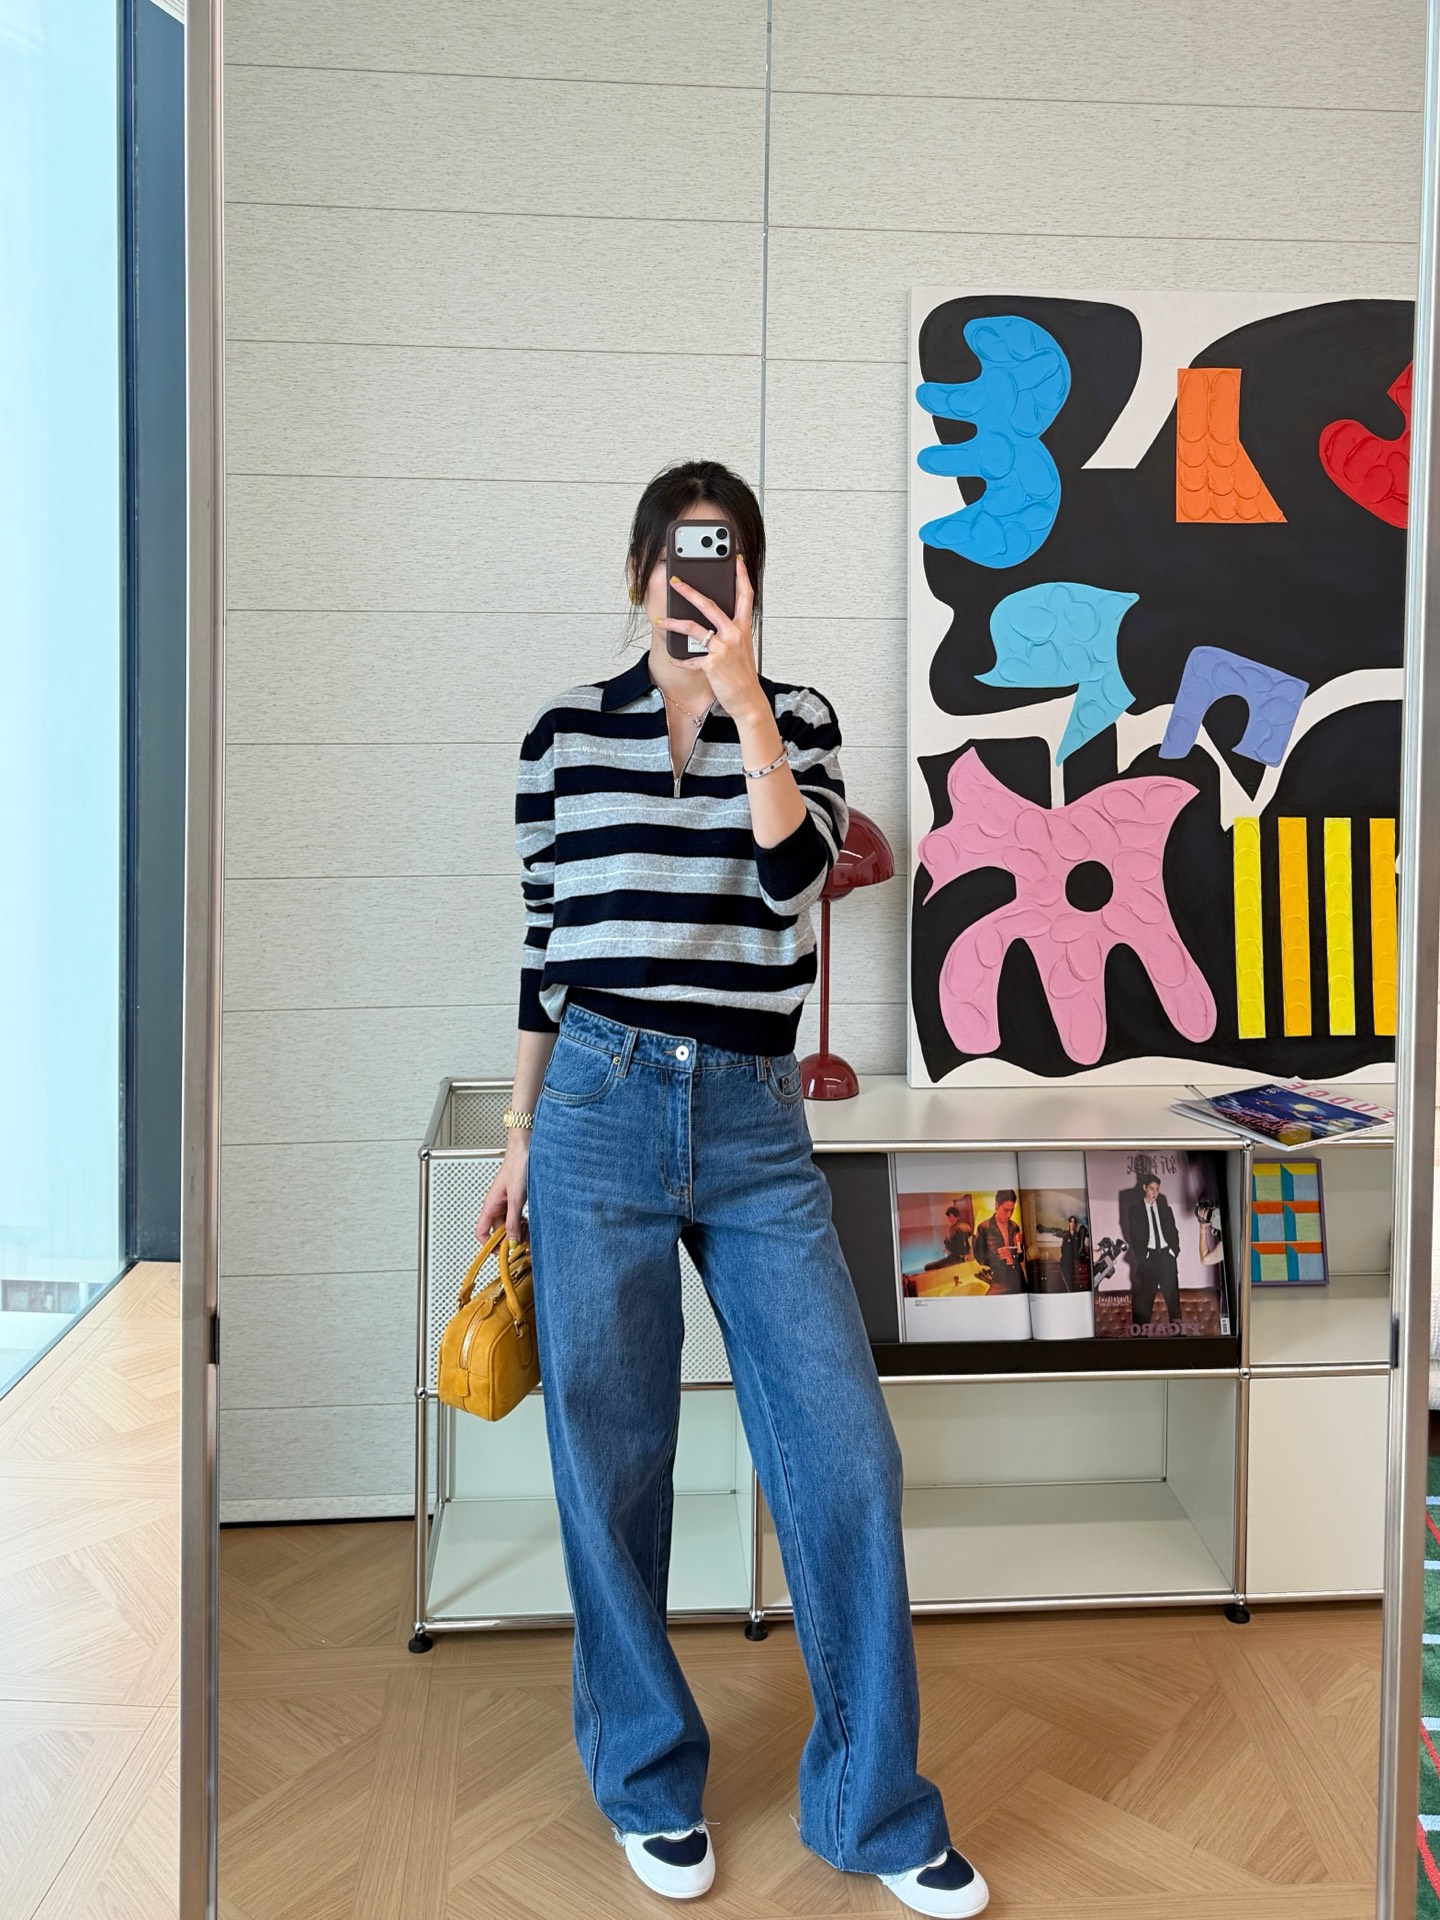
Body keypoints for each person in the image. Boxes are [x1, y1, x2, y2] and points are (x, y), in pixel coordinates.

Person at [476, 460, 988, 1917]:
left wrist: (746, 697)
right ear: (637, 570)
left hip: (758, 1122)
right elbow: (545, 948)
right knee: (613, 1456)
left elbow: (791, 882)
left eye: (722, 561)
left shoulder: (801, 720)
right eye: (675, 558)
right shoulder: (563, 735)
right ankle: (646, 1777)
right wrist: (519, 1132)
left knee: (844, 1453)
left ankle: (872, 1806)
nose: (692, 583)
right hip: (597, 1104)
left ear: (749, 579)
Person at [1120, 1172, 1182, 1329]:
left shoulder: (1165, 1209)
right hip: (1149, 1259)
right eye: (1151, 1189)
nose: (1154, 1193)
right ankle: (1140, 1339)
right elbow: (1133, 1236)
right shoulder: (1135, 1210)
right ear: (1144, 1188)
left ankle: (1180, 1337)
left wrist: (1174, 1251)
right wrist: (1144, 1256)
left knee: (1174, 1304)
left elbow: (1174, 1232)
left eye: (1157, 1189)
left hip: (1167, 1258)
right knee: (1144, 1304)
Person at [970, 1190, 1026, 1294]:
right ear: (996, 1205)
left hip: (1018, 1277)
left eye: (1012, 1210)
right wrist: (997, 1256)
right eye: (1005, 1210)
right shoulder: (983, 1228)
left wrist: (1018, 1247)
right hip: (999, 1279)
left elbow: (1021, 1258)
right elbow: (979, 1257)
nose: (1009, 1215)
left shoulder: (1015, 1227)